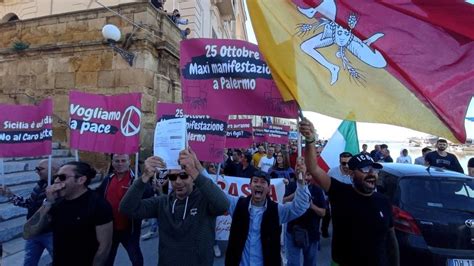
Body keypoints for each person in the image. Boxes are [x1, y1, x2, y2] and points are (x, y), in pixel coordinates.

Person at [299, 118, 399, 266]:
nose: (371, 173)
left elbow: (391, 239)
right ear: (351, 174)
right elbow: (313, 168)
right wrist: (310, 139)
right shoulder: (340, 192)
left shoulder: (383, 201)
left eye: (374, 169)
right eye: (365, 169)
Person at [119, 148, 229, 266]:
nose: (178, 181)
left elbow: (223, 205)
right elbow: (126, 208)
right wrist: (144, 178)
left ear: (193, 178)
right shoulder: (162, 203)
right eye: (172, 177)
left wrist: (195, 170)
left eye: (183, 176)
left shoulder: (205, 201)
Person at [23, 161, 114, 266]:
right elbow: (28, 232)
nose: (56, 181)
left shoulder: (98, 205)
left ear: (81, 180)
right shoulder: (57, 203)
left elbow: (104, 246)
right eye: (56, 177)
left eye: (62, 177)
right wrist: (48, 203)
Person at [225, 159, 310, 266]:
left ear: (269, 188)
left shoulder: (277, 210)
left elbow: (300, 207)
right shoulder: (237, 205)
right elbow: (216, 194)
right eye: (255, 181)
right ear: (249, 186)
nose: (258, 185)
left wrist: (301, 182)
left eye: (263, 182)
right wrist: (200, 171)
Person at [96, 154, 154, 266]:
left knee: (135, 257)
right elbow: (97, 195)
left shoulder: (137, 179)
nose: (120, 164)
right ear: (112, 162)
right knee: (107, 258)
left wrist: (153, 188)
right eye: (117, 161)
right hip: (110, 228)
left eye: (123, 160)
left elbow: (149, 197)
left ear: (129, 162)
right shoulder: (108, 179)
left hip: (129, 227)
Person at [0, 159, 58, 266]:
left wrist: (52, 200)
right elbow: (29, 204)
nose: (37, 171)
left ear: (54, 170)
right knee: (29, 263)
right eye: (36, 168)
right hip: (33, 231)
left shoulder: (60, 188)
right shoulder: (39, 185)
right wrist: (10, 195)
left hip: (51, 233)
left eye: (40, 169)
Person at [283, 172, 326, 266]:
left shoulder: (317, 190)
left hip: (311, 232)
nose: (305, 178)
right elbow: (283, 201)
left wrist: (312, 206)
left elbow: (323, 213)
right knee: (293, 263)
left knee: (310, 262)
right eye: (303, 174)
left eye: (309, 175)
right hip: (292, 231)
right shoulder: (291, 186)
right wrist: (297, 193)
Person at [322, 152, 352, 238]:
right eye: (343, 163)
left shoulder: (355, 173)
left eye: (348, 163)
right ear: (339, 162)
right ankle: (324, 230)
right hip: (334, 202)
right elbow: (326, 186)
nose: (346, 165)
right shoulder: (332, 172)